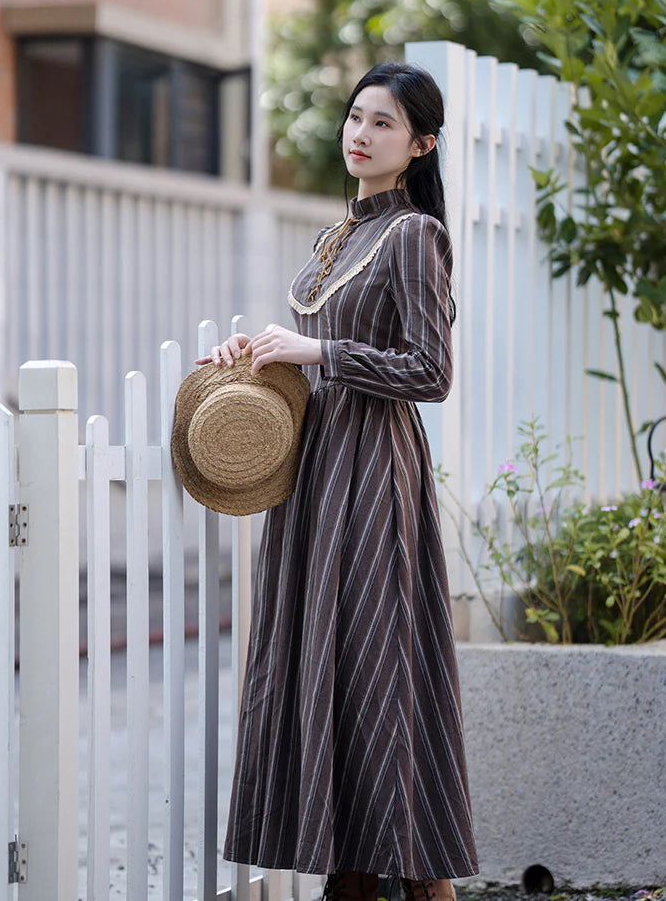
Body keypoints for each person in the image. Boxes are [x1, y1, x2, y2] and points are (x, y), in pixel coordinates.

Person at [196, 62, 478, 901]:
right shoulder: (337, 237)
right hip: (316, 477)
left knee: (377, 663)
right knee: (326, 661)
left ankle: (420, 876)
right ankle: (349, 870)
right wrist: (254, 355)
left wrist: (316, 350)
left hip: (372, 477)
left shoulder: (413, 235)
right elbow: (311, 352)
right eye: (356, 117)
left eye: (383, 124)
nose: (361, 134)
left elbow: (430, 371)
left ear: (420, 143)